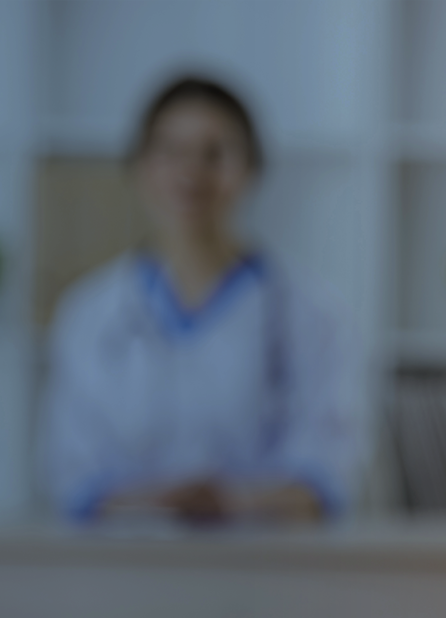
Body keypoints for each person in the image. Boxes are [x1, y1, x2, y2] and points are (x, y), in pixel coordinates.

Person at [42, 76, 363, 524]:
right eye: (170, 152)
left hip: (268, 573)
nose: (192, 173)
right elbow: (73, 480)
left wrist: (231, 503)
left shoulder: (312, 313)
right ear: (138, 167)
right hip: (127, 569)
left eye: (216, 154)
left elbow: (328, 478)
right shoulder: (89, 313)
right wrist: (164, 504)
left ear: (252, 168)